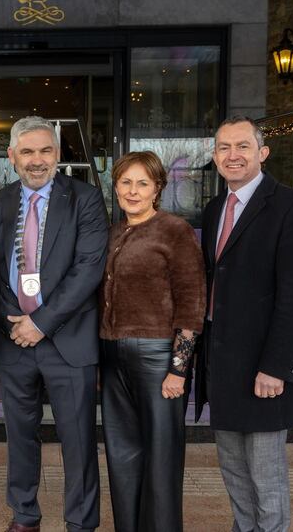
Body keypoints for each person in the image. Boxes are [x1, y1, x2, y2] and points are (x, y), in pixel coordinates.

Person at [195, 116, 293, 532]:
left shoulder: (292, 206)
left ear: (262, 153)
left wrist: (276, 366)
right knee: (233, 470)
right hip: (223, 366)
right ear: (214, 157)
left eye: (243, 146)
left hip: (265, 368)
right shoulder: (215, 209)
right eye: (224, 147)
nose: (233, 155)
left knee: (266, 476)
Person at [0, 116, 108, 532]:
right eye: (27, 152)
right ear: (11, 156)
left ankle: (81, 522)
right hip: (13, 343)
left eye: (45, 151)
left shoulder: (86, 199)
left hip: (68, 342)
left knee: (78, 441)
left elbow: (89, 269)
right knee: (20, 437)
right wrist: (12, 323)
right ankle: (24, 516)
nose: (36, 161)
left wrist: (40, 322)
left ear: (57, 153)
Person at [99, 151, 205, 532]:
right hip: (113, 357)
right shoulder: (112, 232)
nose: (133, 190)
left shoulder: (174, 230)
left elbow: (192, 303)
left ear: (158, 187)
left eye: (143, 182)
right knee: (122, 458)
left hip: (158, 358)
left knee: (161, 461)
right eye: (125, 182)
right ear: (115, 186)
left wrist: (179, 368)